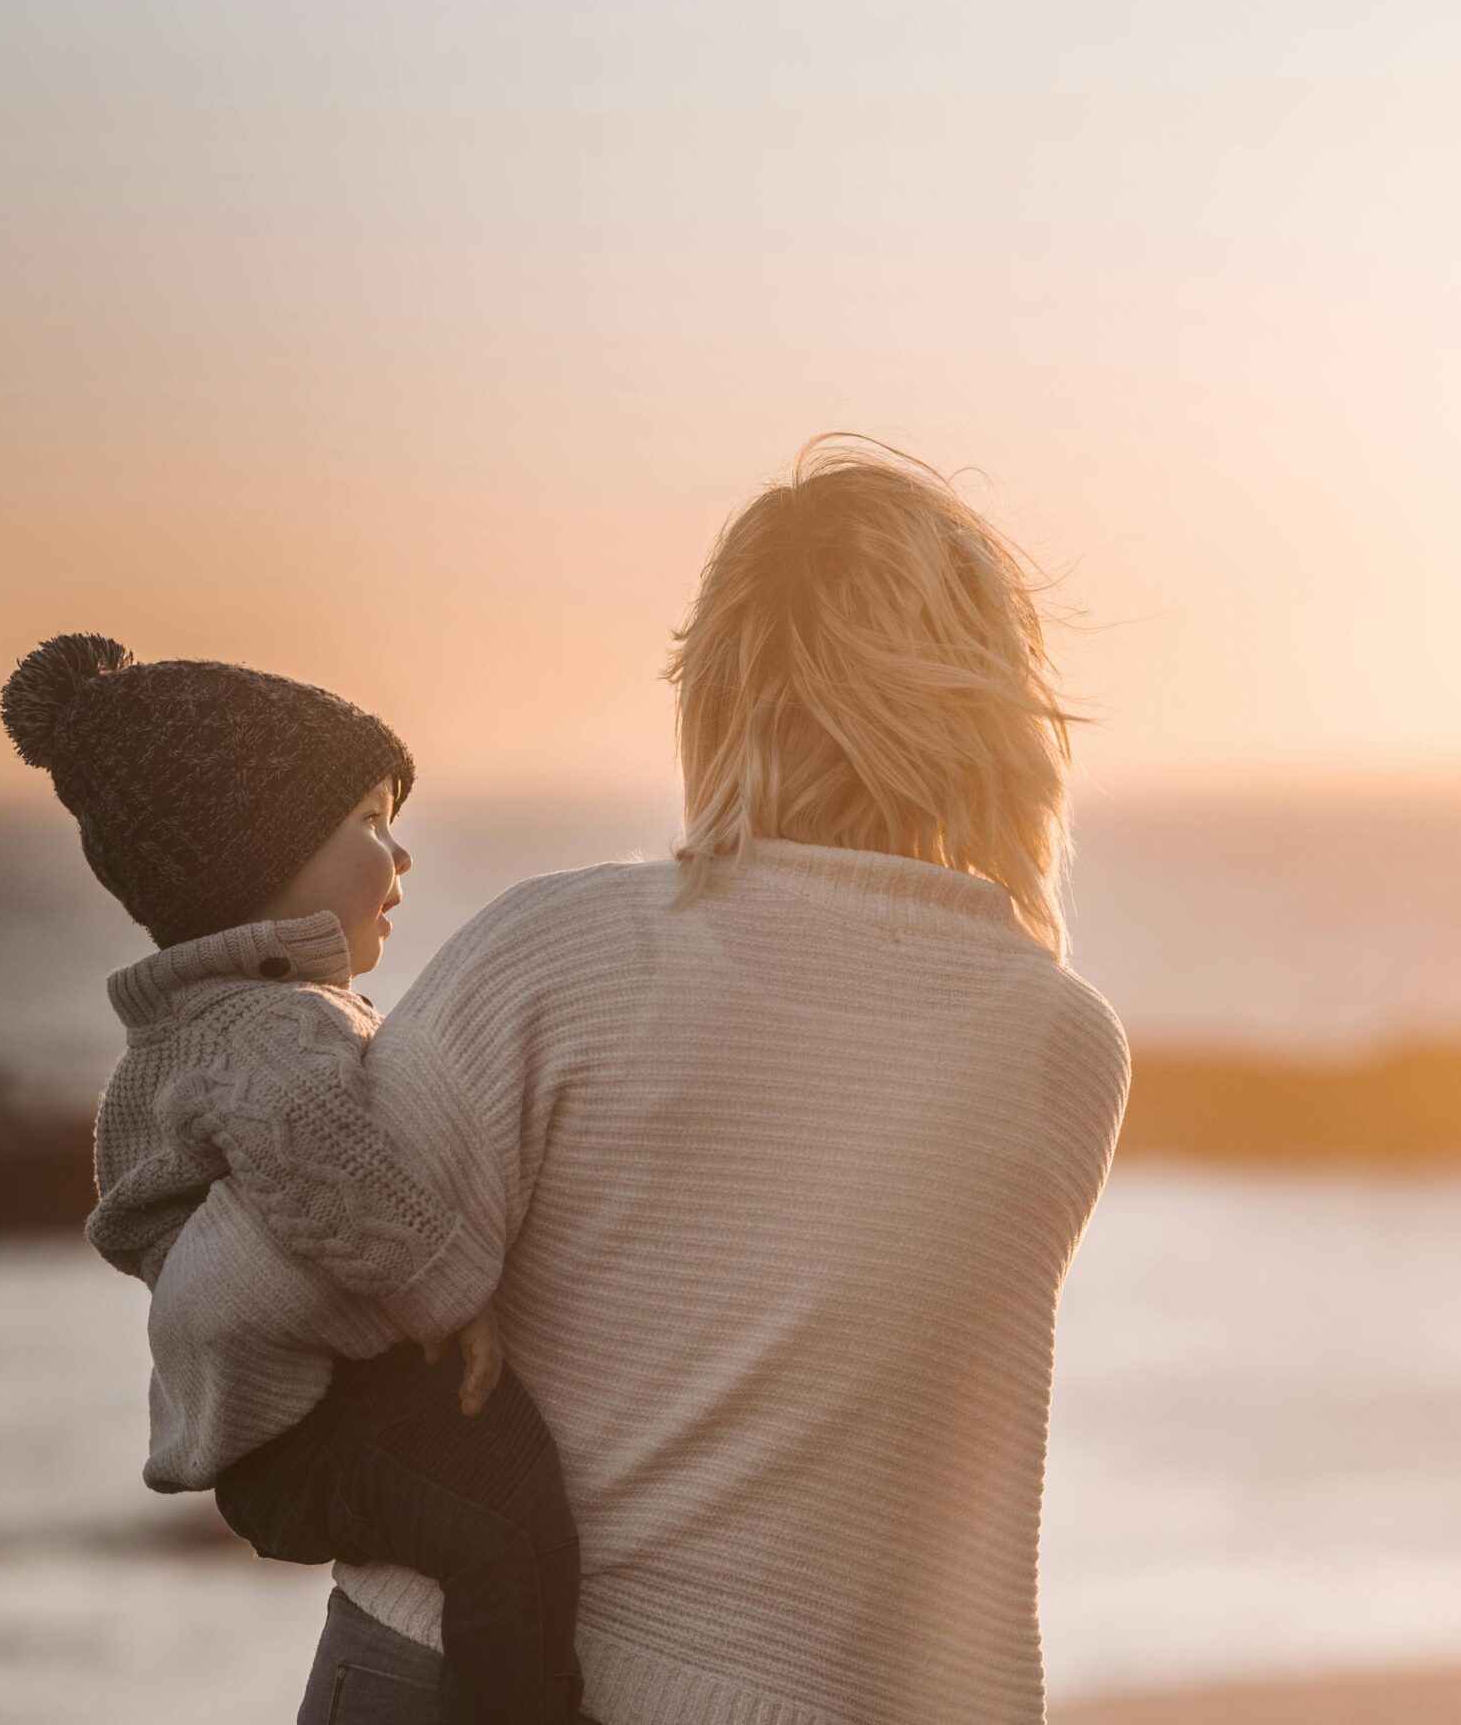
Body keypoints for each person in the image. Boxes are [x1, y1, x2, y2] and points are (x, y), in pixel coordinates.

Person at [296, 436, 1132, 1724]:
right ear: (989, 707)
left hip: (441, 1664)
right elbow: (954, 1507)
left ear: (721, 686)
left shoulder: (554, 948)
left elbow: (310, 1285)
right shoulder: (1060, 1045)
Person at [0, 632, 586, 1725]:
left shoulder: (203, 1021)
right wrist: (460, 1301)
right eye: (368, 821)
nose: (401, 856)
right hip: (301, 1438)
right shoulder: (270, 1032)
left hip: (283, 1429)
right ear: (252, 856)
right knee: (505, 1516)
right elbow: (349, 1184)